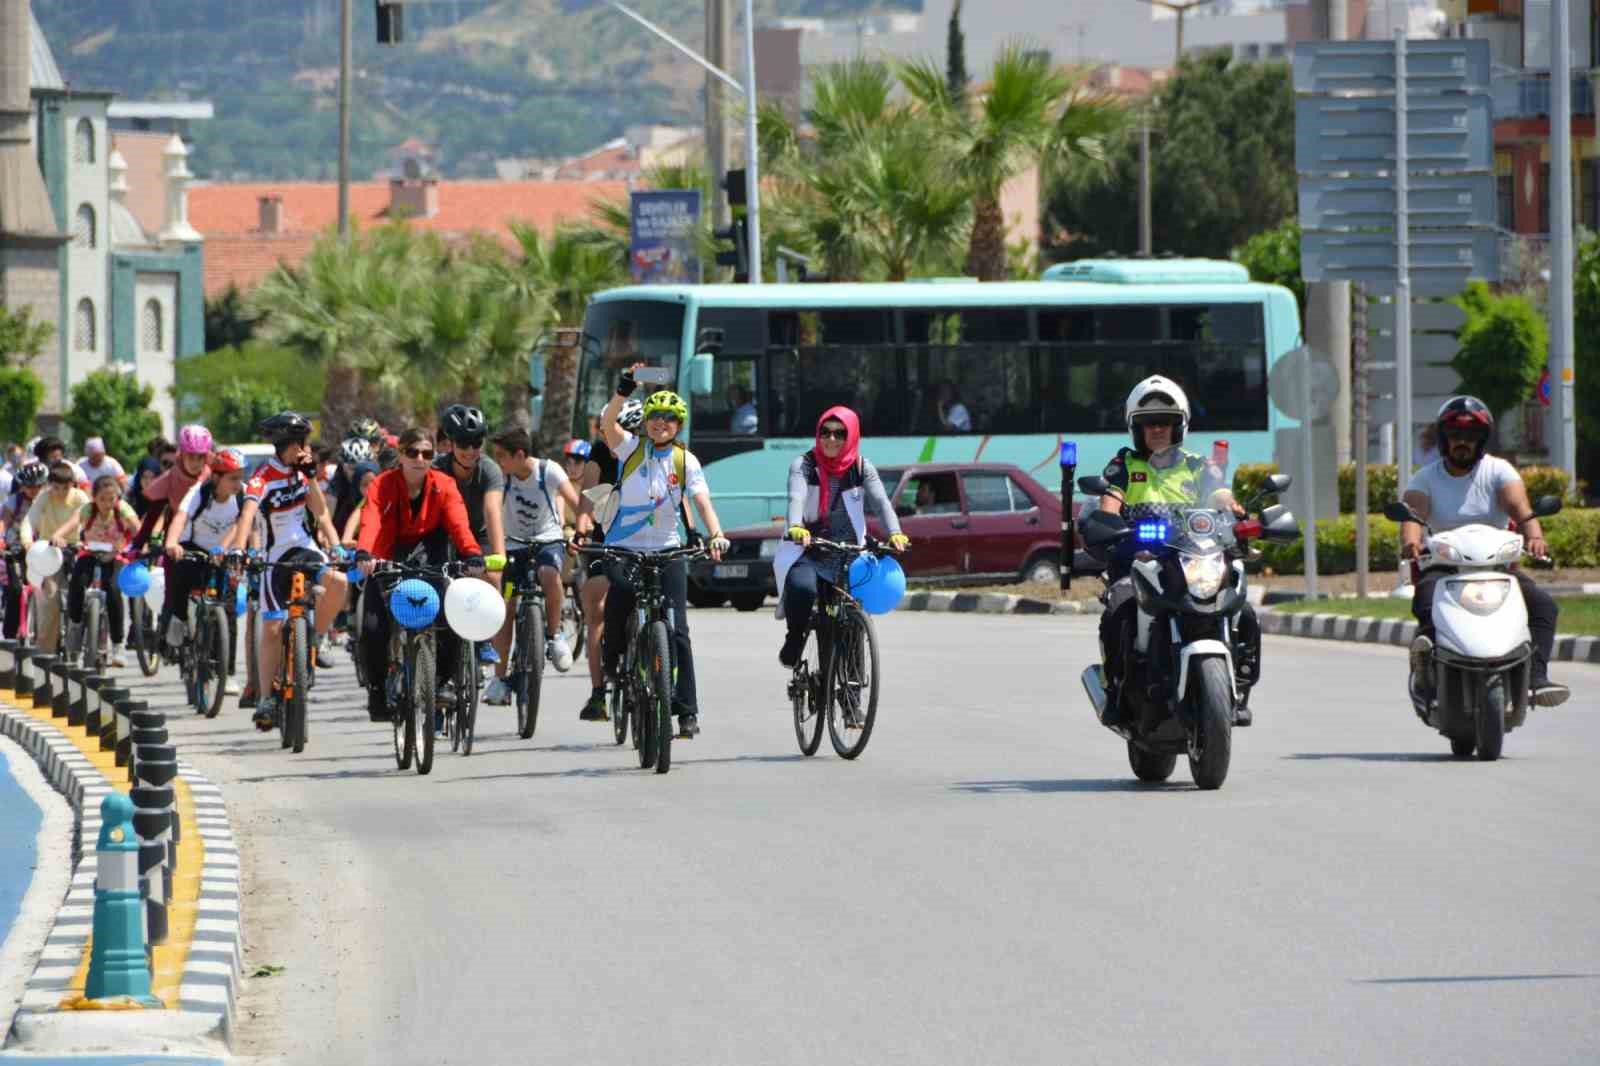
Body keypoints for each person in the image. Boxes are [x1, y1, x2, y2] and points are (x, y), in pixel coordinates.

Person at [1093, 375, 1259, 728]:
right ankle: (1116, 691)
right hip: (1140, 559)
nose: (1157, 430)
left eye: (1165, 422)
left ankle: (1241, 689)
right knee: (1119, 607)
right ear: (1136, 428)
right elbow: (1112, 498)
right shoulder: (1125, 464)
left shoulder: (1198, 464)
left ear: (1178, 426)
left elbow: (1218, 494)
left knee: (1243, 610)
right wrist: (1106, 521)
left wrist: (1236, 510)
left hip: (1191, 556)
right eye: (1149, 423)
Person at [1401, 395, 1569, 707]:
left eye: (1471, 436)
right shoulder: (1426, 478)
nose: (1462, 443)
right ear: (1443, 439)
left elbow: (1520, 508)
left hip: (1497, 568)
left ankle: (1535, 676)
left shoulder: (1498, 471)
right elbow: (1414, 515)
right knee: (1426, 599)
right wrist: (1410, 542)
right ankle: (1426, 666)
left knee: (1544, 607)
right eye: (1455, 436)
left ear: (1482, 440)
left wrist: (1535, 536)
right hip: (1445, 566)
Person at [594, 371, 730, 738]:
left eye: (669, 418)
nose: (661, 423)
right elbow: (607, 422)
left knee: (679, 630)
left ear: (678, 425)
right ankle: (613, 665)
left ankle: (686, 712)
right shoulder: (631, 449)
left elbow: (702, 502)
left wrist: (716, 533)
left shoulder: (687, 462)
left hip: (669, 549)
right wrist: (624, 389)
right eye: (655, 416)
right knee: (620, 597)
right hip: (626, 547)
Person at [223, 412, 348, 732]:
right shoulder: (261, 477)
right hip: (274, 556)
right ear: (286, 446)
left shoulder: (304, 473)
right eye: (301, 445)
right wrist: (238, 549)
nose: (306, 450)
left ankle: (315, 639)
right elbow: (247, 515)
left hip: (305, 548)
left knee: (338, 581)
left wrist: (335, 547)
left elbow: (320, 513)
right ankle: (266, 698)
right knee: (273, 628)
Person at [353, 427, 484, 724]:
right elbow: (371, 521)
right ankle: (376, 690)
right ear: (400, 455)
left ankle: (441, 682)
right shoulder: (382, 485)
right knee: (373, 628)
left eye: (427, 453)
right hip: (386, 555)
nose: (419, 459)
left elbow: (459, 524)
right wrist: (365, 554)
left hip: (431, 553)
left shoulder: (445, 484)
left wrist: (471, 554)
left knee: (451, 617)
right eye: (412, 452)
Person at [775, 407, 909, 666]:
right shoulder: (804, 465)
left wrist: (895, 533)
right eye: (825, 432)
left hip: (849, 553)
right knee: (802, 588)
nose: (831, 439)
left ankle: (853, 689)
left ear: (852, 436)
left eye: (840, 433)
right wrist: (795, 525)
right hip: (809, 548)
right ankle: (794, 638)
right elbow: (796, 497)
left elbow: (881, 502)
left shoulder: (861, 467)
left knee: (852, 614)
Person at [484, 427, 584, 703]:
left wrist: (582, 532)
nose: (498, 462)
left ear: (519, 455)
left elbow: (576, 504)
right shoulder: (501, 477)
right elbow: (490, 511)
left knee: (549, 574)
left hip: (547, 540)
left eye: (502, 456)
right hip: (512, 545)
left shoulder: (548, 471)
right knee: (506, 605)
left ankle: (553, 635)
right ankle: (500, 679)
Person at [570, 400, 641, 721]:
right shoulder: (599, 454)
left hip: (644, 543)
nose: (613, 441)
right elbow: (588, 496)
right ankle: (599, 692)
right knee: (596, 605)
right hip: (604, 541)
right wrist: (582, 528)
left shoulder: (651, 456)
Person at [162, 448, 249, 696]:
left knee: (228, 609)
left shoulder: (241, 496)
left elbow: (241, 523)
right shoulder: (199, 493)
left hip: (222, 551)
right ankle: (178, 621)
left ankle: (228, 673)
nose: (237, 483)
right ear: (216, 477)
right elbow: (180, 517)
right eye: (232, 478)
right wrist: (172, 543)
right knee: (180, 579)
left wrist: (225, 547)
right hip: (193, 547)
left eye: (240, 477)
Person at [435, 404, 506, 668]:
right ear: (451, 444)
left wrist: (499, 557)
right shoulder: (437, 469)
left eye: (476, 444)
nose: (470, 451)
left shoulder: (490, 470)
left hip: (480, 534)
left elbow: (493, 512)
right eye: (463, 445)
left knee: (493, 577)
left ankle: (485, 638)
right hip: (444, 533)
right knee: (439, 583)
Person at [51, 475, 140, 667]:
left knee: (114, 591)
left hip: (115, 556)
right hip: (90, 553)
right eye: (102, 499)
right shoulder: (88, 509)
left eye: (112, 499)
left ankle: (117, 645)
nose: (108, 504)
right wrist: (58, 536)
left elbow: (137, 528)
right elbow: (72, 523)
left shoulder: (122, 509)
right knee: (77, 583)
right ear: (94, 498)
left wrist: (141, 544)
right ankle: (75, 628)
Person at [27, 462, 91, 655]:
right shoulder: (43, 498)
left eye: (66, 487)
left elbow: (87, 520)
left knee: (84, 595)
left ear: (73, 484)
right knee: (50, 600)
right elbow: (29, 521)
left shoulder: (80, 498)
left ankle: (92, 639)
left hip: (76, 547)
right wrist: (27, 542)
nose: (61, 491)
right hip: (49, 551)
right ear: (49, 485)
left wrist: (87, 541)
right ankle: (44, 655)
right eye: (56, 487)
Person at [0, 461, 48, 640]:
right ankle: (10, 636)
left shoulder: (48, 501)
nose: (34, 490)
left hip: (43, 549)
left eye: (38, 486)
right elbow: (4, 522)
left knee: (49, 590)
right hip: (17, 548)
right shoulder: (14, 501)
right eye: (29, 487)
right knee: (15, 589)